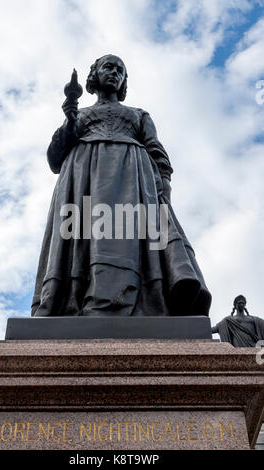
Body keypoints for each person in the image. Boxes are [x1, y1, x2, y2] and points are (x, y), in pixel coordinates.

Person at [31, 54, 211, 317]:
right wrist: (69, 116)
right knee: (83, 235)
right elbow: (54, 159)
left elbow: (157, 151)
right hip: (83, 179)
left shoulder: (138, 115)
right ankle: (76, 298)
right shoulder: (80, 114)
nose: (114, 73)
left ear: (125, 80)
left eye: (120, 70)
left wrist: (164, 186)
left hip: (134, 179)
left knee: (128, 237)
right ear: (95, 74)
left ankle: (135, 298)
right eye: (109, 67)